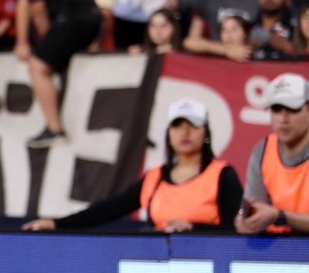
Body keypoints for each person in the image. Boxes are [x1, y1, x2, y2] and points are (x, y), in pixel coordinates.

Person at [23, 98, 242, 233]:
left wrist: (194, 229)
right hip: (162, 268)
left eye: (193, 125)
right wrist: (58, 224)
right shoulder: (155, 177)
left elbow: (235, 229)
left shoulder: (221, 175)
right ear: (168, 134)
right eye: (177, 125)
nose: (185, 132)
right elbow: (110, 209)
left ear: (206, 134)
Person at [0, 0, 102, 147]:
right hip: (90, 19)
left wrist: (33, 43)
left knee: (38, 67)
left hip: (75, 20)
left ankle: (54, 129)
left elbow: (36, 8)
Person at [236, 72, 309, 234]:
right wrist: (246, 218)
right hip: (277, 252)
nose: (284, 118)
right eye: (276, 109)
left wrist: (279, 217)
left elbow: (274, 216)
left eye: (293, 108)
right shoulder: (263, 150)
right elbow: (254, 207)